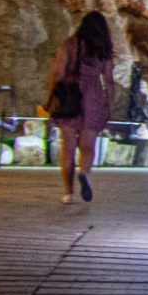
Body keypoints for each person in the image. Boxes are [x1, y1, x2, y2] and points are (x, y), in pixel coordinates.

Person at [46, 11, 116, 204]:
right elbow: (109, 80)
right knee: (87, 146)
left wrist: (50, 97)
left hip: (70, 94)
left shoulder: (70, 44)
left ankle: (68, 193)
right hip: (93, 96)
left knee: (67, 147)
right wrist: (109, 104)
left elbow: (57, 73)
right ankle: (84, 173)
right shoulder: (104, 50)